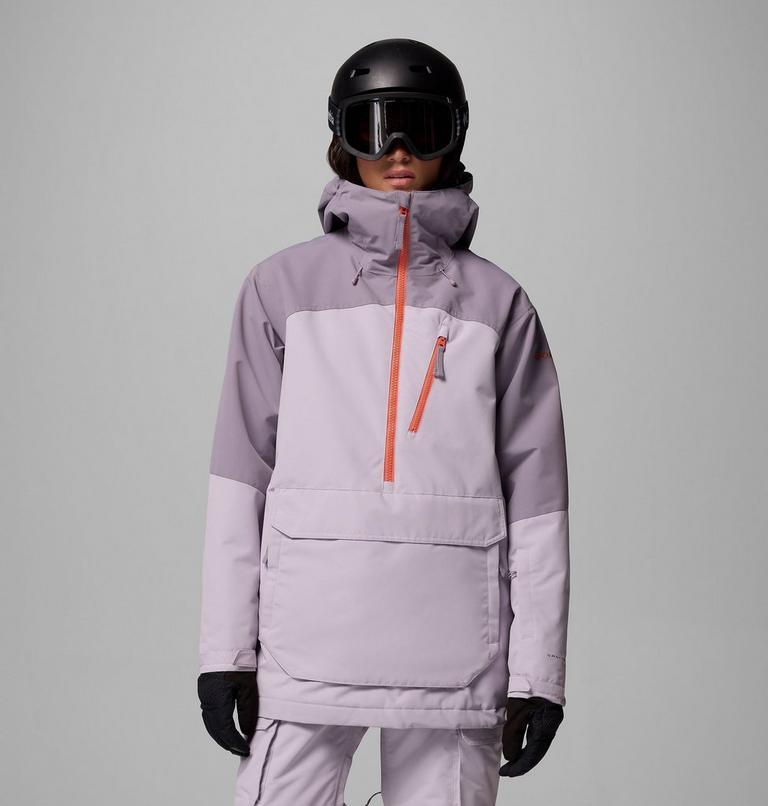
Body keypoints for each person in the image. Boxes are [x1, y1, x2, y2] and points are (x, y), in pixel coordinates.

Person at [196, 38, 570, 806]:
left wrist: (539, 674)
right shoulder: (279, 287)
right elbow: (240, 478)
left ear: (453, 138)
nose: (398, 151)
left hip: (456, 648)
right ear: (343, 139)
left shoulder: (500, 304)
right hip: (308, 639)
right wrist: (225, 652)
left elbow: (539, 499)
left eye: (421, 129)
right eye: (375, 128)